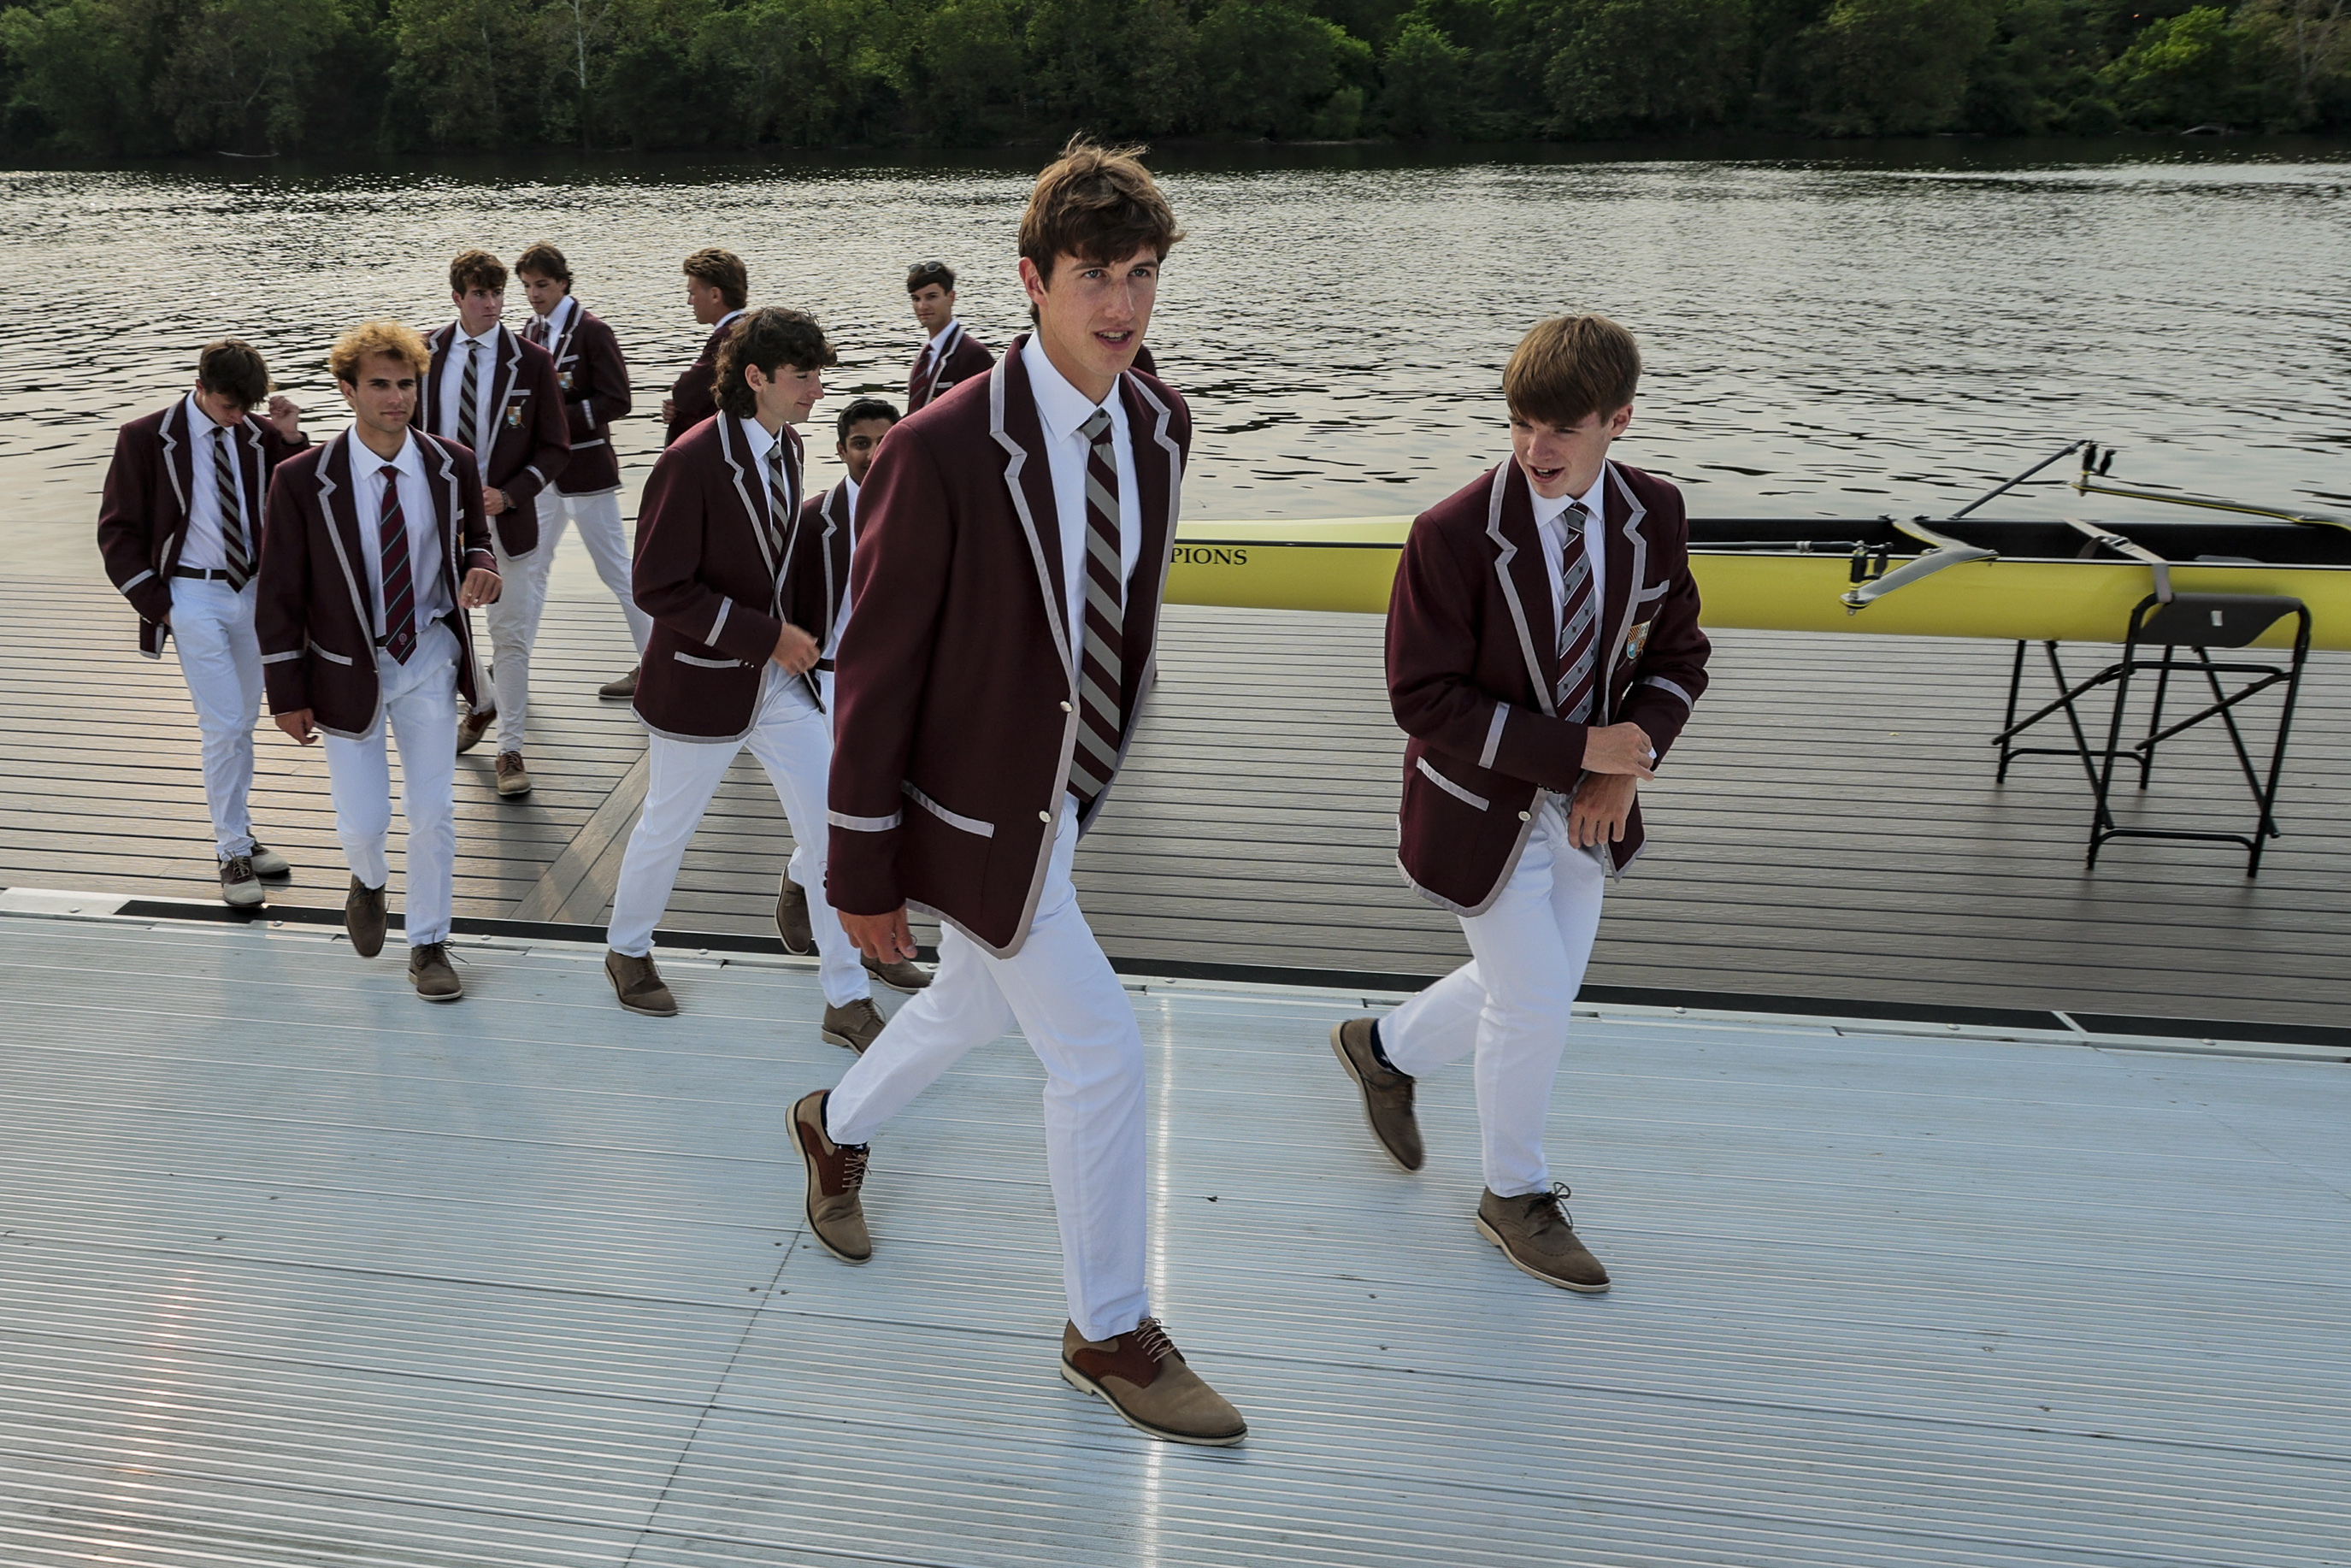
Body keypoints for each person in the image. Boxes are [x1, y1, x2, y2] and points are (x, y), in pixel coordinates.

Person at [800, 140, 1246, 1448]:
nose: (1120, 304)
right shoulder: (938, 453)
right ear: (1031, 281)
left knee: (965, 1003)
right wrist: (861, 871)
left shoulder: (1159, 421)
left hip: (1077, 792)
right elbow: (873, 668)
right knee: (1099, 1053)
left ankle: (834, 1123)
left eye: (1143, 275)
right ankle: (1106, 1325)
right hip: (976, 814)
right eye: (1093, 274)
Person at [1327, 314, 1711, 1294]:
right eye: (1518, 424)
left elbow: (1677, 660)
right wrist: (1579, 746)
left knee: (1529, 991)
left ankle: (1382, 1048)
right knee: (1533, 995)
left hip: (1589, 809)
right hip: (1475, 807)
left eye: (1561, 430)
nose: (1534, 450)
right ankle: (1513, 1194)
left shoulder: (1654, 514)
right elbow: (1421, 697)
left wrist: (1624, 766)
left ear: (1617, 421)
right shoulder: (1449, 535)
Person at [599, 308, 888, 1057]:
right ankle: (627, 950)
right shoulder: (690, 460)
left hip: (776, 688)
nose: (818, 392)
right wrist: (769, 637)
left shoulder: (789, 448)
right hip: (701, 683)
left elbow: (776, 563)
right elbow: (657, 586)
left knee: (832, 826)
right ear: (755, 377)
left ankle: (846, 998)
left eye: (820, 375)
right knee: (669, 824)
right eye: (803, 377)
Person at [257, 321, 502, 1001]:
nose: (396, 398)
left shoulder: (452, 463)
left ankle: (428, 943)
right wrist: (285, 692)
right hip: (343, 667)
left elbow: (475, 541)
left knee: (433, 810)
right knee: (363, 821)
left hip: (425, 654)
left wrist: (483, 569)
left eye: (406, 384)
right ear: (347, 390)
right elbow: (278, 593)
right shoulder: (303, 480)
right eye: (379, 385)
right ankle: (367, 881)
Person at [96, 339, 308, 906]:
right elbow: (117, 532)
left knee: (240, 722)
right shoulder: (144, 438)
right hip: (191, 596)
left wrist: (290, 439)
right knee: (223, 723)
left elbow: (300, 498)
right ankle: (232, 852)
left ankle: (240, 830)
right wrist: (161, 606)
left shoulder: (260, 434)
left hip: (253, 595)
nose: (238, 416)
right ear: (201, 385)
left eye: (247, 407)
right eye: (228, 405)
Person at [773, 396, 928, 996]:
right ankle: (880, 954)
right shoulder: (814, 520)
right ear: (841, 451)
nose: (874, 454)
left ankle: (796, 876)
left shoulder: (921, 510)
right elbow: (788, 603)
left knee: (893, 812)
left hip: (903, 682)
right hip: (831, 683)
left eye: (886, 442)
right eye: (861, 443)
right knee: (853, 815)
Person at [416, 248, 566, 798]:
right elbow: (401, 436)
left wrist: (509, 494)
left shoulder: (531, 361)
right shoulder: (423, 354)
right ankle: (481, 701)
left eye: (498, 293)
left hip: (508, 523)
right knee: (441, 630)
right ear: (457, 297)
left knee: (511, 636)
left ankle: (510, 749)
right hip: (440, 523)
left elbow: (555, 448)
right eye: (480, 294)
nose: (492, 303)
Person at [515, 241, 649, 702]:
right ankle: (516, 657)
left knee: (616, 571)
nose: (534, 294)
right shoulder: (529, 330)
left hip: (588, 473)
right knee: (531, 566)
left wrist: (554, 420)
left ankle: (654, 664)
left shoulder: (593, 331)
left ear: (564, 283)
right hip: (543, 476)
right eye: (528, 286)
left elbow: (619, 400)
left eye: (543, 285)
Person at [662, 248, 747, 446]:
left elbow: (687, 393)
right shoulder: (748, 327)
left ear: (715, 295)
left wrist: (679, 403)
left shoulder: (727, 337)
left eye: (692, 293)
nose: (689, 301)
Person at [903, 260, 993, 413]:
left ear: (951, 297)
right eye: (916, 299)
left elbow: (983, 415)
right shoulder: (925, 356)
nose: (922, 306)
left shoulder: (973, 355)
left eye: (931, 297)